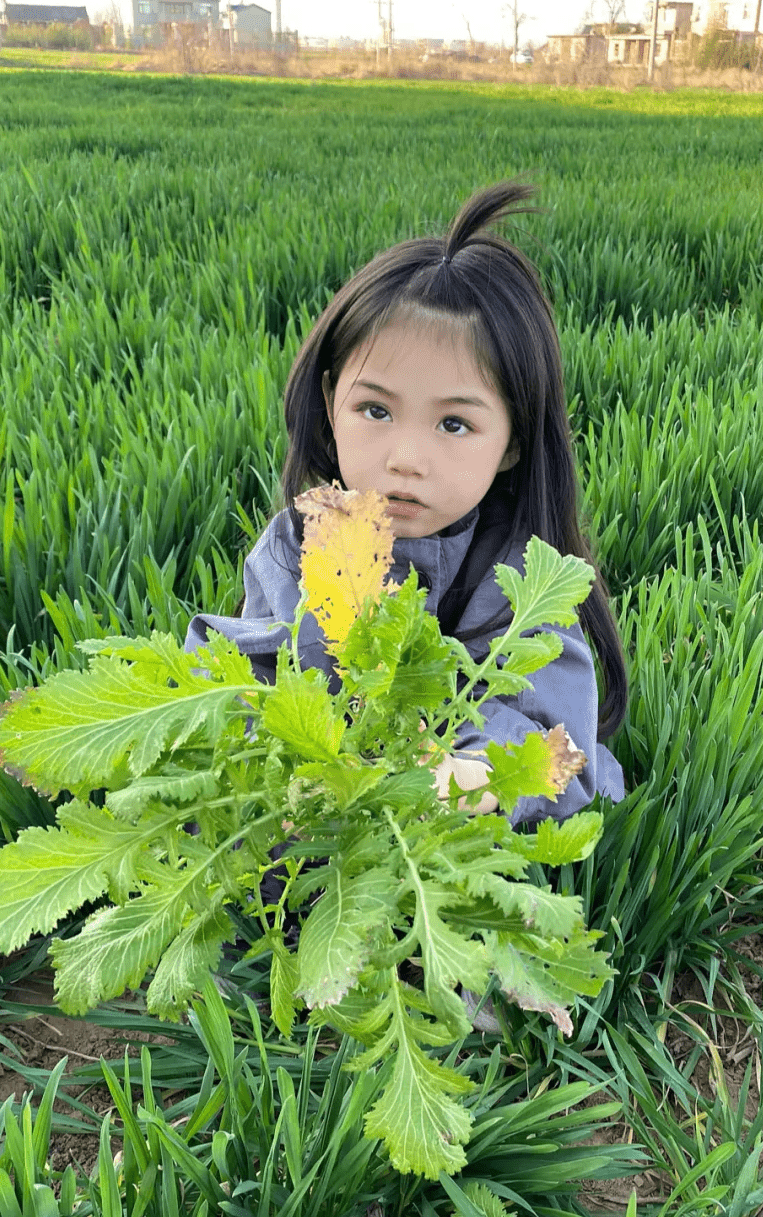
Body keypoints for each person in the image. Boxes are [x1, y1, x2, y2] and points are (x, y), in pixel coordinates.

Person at [185, 179, 628, 1023]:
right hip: (338, 807)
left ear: (511, 446)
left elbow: (545, 727)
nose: (405, 458)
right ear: (329, 404)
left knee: (470, 921)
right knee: (237, 865)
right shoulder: (300, 541)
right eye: (376, 411)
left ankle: (430, 968)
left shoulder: (528, 574)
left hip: (459, 812)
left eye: (454, 425)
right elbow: (257, 661)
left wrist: (468, 773)